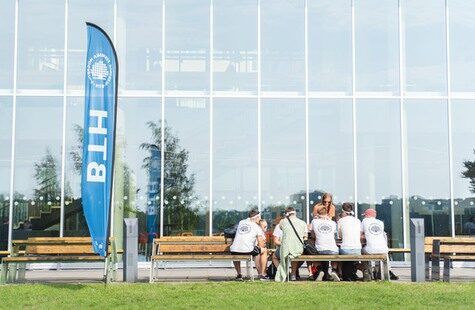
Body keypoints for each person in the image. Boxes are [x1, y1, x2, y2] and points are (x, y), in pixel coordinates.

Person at [230, 210, 268, 281]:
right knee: (264, 250)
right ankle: (262, 274)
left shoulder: (241, 222)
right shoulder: (257, 227)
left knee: (236, 250)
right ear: (257, 218)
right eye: (259, 218)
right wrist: (261, 245)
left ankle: (239, 274)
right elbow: (261, 244)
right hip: (248, 250)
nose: (259, 220)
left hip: (234, 250)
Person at [275, 207, 308, 282]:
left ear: (286, 214)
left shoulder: (282, 221)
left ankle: (284, 273)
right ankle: (293, 274)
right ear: (295, 213)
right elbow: (305, 237)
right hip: (298, 248)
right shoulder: (303, 223)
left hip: (286, 248)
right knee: (294, 253)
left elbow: (280, 227)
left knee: (277, 255)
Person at [311, 207, 340, 281]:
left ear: (317, 213)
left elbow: (313, 236)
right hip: (333, 249)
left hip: (320, 249)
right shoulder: (332, 223)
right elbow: (335, 235)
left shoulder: (314, 221)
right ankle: (333, 270)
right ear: (327, 213)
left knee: (312, 252)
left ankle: (320, 269)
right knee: (335, 251)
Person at [360, 208, 389, 281]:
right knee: (377, 250)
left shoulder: (365, 221)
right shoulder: (380, 222)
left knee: (361, 251)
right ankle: (377, 272)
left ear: (367, 215)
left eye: (365, 215)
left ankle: (368, 272)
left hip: (371, 250)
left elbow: (360, 235)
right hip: (384, 250)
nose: (364, 217)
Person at [338, 202, 362, 281]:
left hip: (346, 249)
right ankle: (352, 273)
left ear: (343, 212)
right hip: (358, 249)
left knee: (337, 251)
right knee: (352, 256)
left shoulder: (341, 221)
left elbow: (340, 236)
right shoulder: (358, 220)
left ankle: (341, 274)